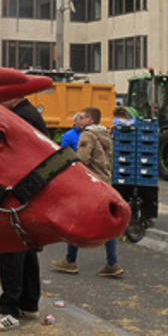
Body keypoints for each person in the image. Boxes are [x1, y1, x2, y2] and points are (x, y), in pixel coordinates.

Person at [0, 96, 49, 333]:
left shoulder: (22, 117)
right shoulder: (29, 113)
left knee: (10, 249)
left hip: (19, 193)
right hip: (28, 192)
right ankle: (29, 303)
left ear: (11, 97)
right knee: (26, 250)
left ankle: (9, 310)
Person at [52, 107, 123, 278]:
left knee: (76, 219)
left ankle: (70, 261)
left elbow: (82, 161)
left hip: (90, 185)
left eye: (83, 117)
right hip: (105, 182)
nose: (79, 119)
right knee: (107, 225)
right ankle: (112, 263)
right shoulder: (105, 135)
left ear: (90, 120)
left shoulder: (87, 135)